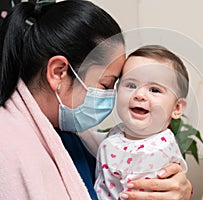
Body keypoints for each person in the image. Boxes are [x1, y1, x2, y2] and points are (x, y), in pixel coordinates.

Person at [0, 1, 192, 199]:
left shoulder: (75, 137)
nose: (112, 96)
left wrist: (178, 188)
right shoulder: (8, 147)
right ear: (59, 72)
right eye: (105, 85)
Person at [94, 45, 190, 200]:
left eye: (154, 90)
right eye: (131, 85)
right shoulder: (118, 132)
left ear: (177, 108)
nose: (139, 95)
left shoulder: (157, 150)